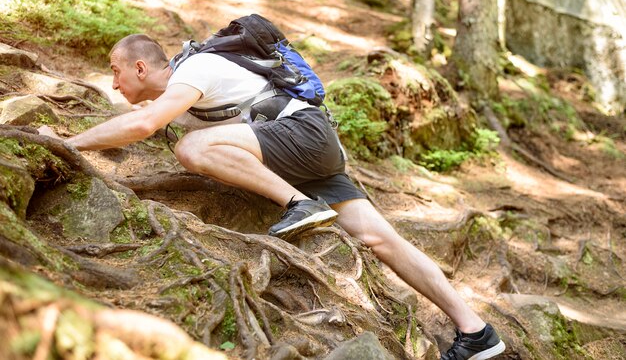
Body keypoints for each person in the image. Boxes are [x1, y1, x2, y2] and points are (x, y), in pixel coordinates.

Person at [38, 33, 505, 360]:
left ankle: (299, 205)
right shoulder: (183, 98)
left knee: (192, 148)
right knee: (381, 239)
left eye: (116, 72)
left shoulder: (196, 69)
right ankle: (475, 331)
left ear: (141, 66)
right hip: (307, 149)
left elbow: (143, 125)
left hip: (301, 136)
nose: (114, 84)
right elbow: (151, 125)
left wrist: (65, 143)